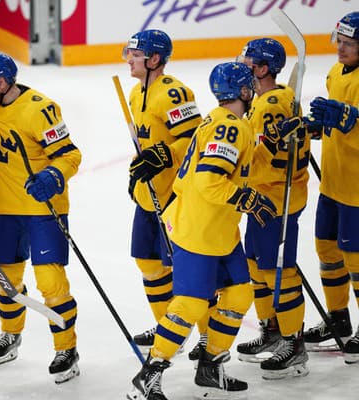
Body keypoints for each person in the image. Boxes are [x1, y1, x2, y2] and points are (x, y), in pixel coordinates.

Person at [127, 62, 282, 400]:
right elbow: (210, 181)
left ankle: (210, 365)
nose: (254, 91)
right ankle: (149, 374)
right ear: (243, 91)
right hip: (199, 229)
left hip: (219, 230)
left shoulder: (220, 120)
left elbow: (237, 166)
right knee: (191, 303)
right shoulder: (230, 127)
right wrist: (248, 199)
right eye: (250, 87)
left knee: (240, 293)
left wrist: (274, 141)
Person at [0, 52, 82, 384]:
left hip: (43, 210)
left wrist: (54, 176)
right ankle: (10, 334)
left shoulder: (41, 109)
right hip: (4, 209)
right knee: (6, 280)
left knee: (52, 284)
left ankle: (66, 349)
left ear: (2, 83)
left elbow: (70, 155)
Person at [235, 38, 310, 379]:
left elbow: (275, 163)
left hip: (275, 201)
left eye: (248, 63)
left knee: (279, 271)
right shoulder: (267, 100)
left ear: (263, 69)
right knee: (256, 266)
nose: (242, 68)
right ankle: (273, 330)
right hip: (262, 199)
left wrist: (238, 169)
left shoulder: (270, 104)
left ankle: (293, 344)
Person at [124, 29, 203, 353]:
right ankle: (168, 330)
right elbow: (143, 143)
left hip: (173, 197)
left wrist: (164, 154)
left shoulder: (174, 93)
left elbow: (196, 140)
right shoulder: (133, 93)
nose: (129, 59)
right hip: (148, 196)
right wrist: (135, 169)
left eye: (135, 54)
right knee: (147, 262)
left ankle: (209, 339)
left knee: (185, 272)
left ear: (154, 59)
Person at [302, 11, 359, 364]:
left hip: (357, 190)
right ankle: (338, 318)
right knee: (327, 251)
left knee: (356, 260)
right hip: (333, 183)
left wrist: (350, 120)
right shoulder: (336, 72)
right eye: (340, 41)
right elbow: (336, 125)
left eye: (350, 44)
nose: (341, 49)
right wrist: (318, 126)